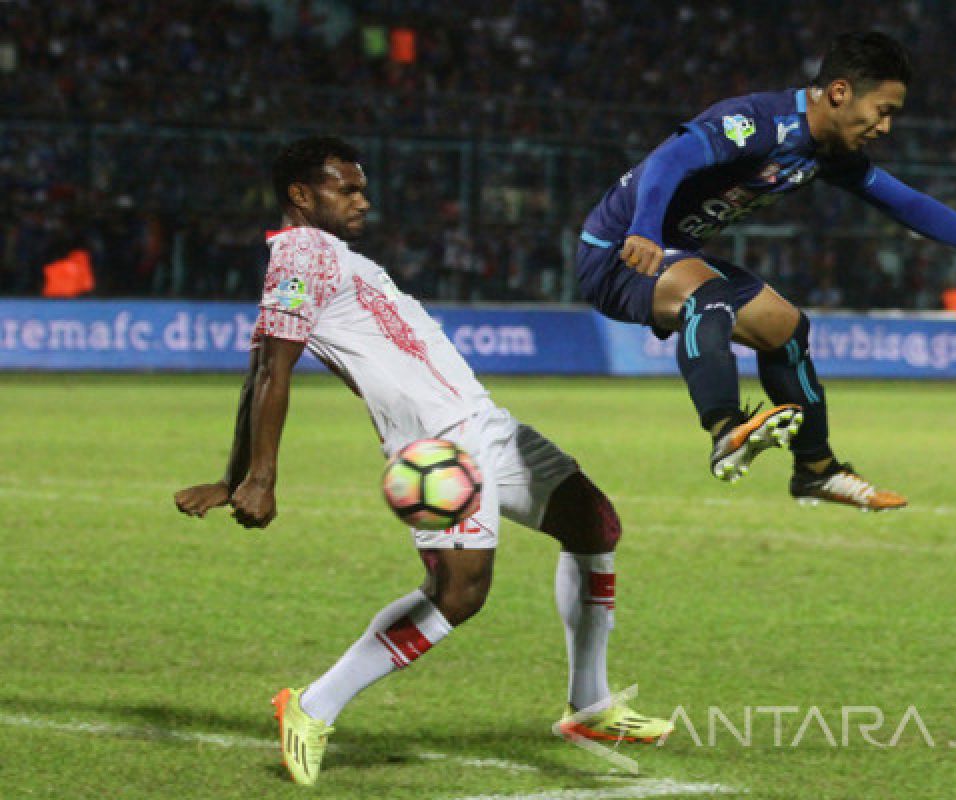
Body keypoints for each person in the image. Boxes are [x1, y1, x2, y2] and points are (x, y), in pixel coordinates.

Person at [173, 137, 671, 786]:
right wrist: (256, 479)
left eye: (361, 186)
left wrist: (233, 474)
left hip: (486, 425)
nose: (363, 199)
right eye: (345, 189)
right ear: (300, 195)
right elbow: (271, 368)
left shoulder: (337, 257)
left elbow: (256, 371)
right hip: (436, 451)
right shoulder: (299, 252)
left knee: (593, 524)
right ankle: (312, 705)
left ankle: (590, 705)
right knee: (458, 595)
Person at [575, 31, 956, 511]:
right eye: (883, 111)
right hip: (618, 252)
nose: (885, 127)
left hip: (673, 252)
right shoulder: (757, 121)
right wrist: (643, 228)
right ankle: (726, 428)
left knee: (788, 331)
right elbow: (669, 159)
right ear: (840, 92)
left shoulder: (828, 153)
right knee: (711, 297)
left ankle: (815, 469)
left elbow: (913, 207)